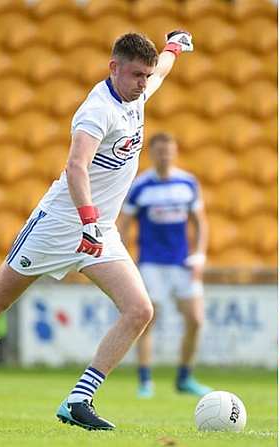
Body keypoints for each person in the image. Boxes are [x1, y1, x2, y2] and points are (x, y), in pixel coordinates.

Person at [0, 31, 194, 431]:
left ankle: (78, 400)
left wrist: (174, 45)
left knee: (140, 310)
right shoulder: (96, 111)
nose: (144, 82)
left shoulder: (138, 92)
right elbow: (76, 167)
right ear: (114, 68)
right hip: (59, 224)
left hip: (99, 230)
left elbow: (162, 71)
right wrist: (87, 220)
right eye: (137, 75)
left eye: (146, 75)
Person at [116, 133, 212, 399]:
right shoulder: (141, 186)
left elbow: (200, 222)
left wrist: (200, 256)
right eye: (160, 152)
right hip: (151, 264)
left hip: (182, 263)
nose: (165, 156)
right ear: (151, 153)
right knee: (148, 319)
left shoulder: (188, 183)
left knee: (195, 320)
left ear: (175, 152)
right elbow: (123, 225)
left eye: (169, 151)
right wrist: (125, 259)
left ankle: (184, 377)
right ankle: (145, 380)